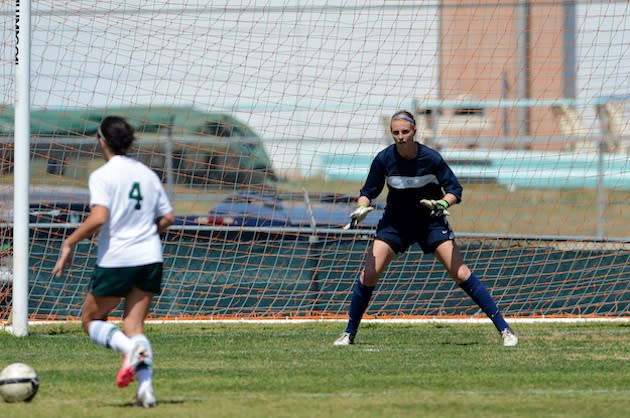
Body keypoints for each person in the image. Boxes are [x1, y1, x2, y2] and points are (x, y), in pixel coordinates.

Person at [333, 110, 518, 347]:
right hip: (395, 223)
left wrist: (442, 203)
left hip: (430, 222)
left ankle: (505, 330)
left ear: (414, 132)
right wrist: (360, 208)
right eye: (395, 133)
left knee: (460, 272)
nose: (400, 137)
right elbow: (368, 192)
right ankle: (349, 334)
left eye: (405, 132)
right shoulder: (383, 159)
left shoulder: (431, 158)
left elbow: (455, 190)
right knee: (368, 274)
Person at [52, 116, 175, 407]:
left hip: (119, 257)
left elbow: (99, 217)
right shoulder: (147, 174)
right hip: (150, 256)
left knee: (91, 320)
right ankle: (146, 390)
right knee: (134, 325)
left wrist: (69, 242)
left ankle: (129, 350)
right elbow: (168, 217)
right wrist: (146, 232)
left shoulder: (102, 175)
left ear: (102, 141)